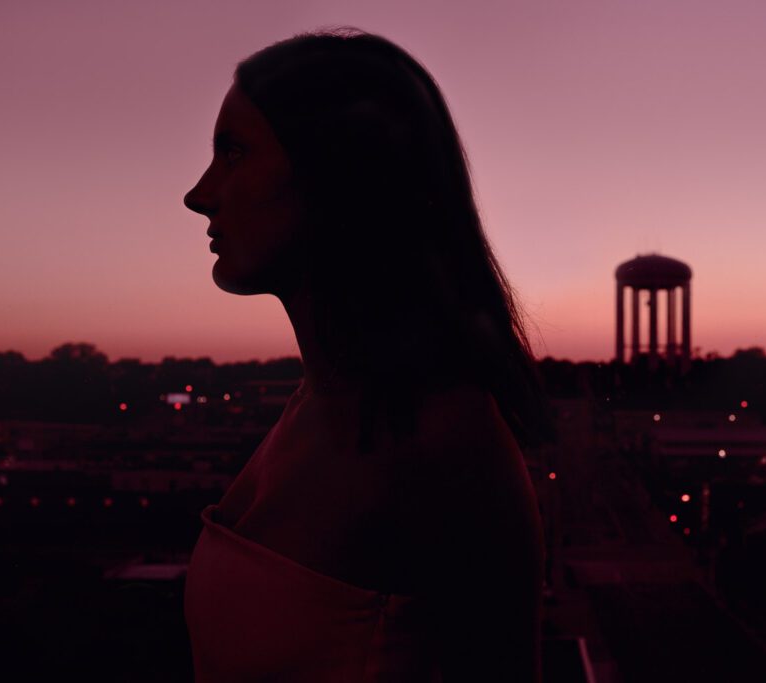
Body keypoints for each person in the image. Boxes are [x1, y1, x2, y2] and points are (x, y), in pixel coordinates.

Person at [182, 27, 557, 682]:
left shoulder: (444, 441)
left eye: (234, 153)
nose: (200, 193)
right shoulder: (311, 404)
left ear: (336, 173)